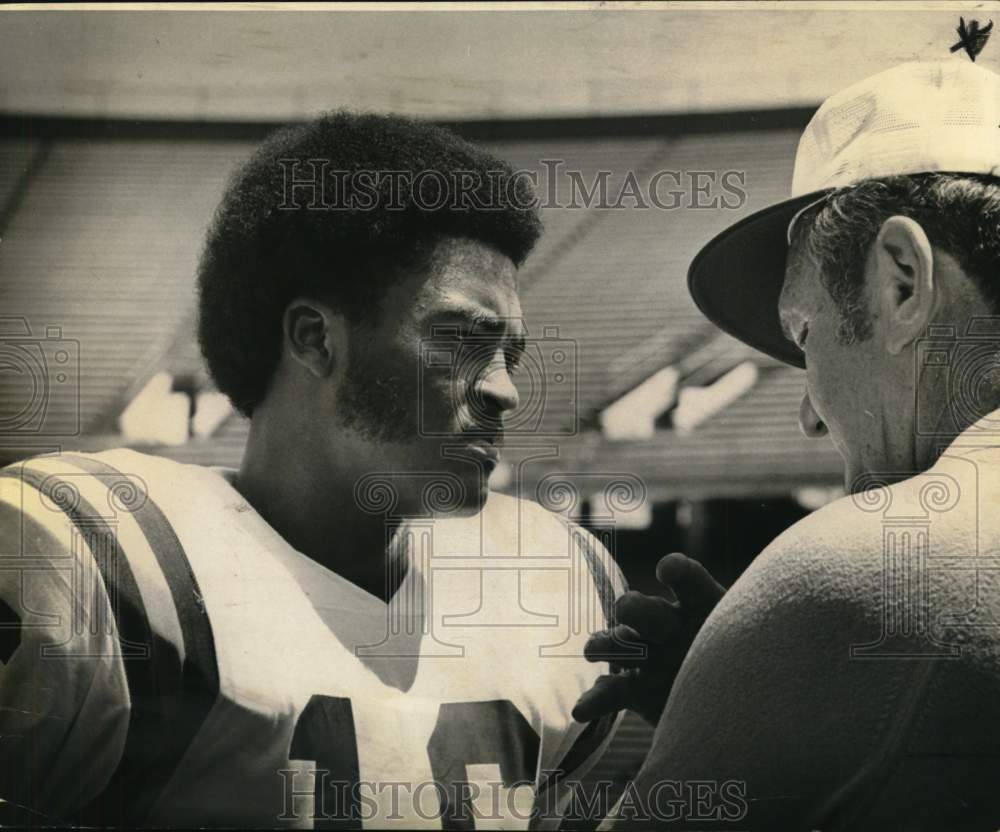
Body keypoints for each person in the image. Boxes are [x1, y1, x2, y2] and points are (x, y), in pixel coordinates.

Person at [0, 112, 626, 827]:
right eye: (461, 342)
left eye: (510, 355)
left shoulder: (560, 584)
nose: (504, 390)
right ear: (316, 339)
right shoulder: (98, 559)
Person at [574, 59, 1000, 830]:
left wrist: (780, 667)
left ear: (902, 283)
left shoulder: (866, 574)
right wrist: (763, 710)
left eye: (805, 339)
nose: (807, 415)